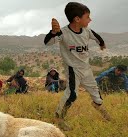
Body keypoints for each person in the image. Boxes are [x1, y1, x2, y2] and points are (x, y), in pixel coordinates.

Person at [44, 2, 110, 130]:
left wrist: (101, 43)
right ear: (77, 19)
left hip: (86, 68)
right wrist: (53, 32)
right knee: (72, 94)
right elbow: (48, 43)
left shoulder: (87, 30)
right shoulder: (62, 33)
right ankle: (59, 117)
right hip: (73, 69)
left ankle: (98, 105)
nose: (90, 20)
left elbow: (96, 36)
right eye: (87, 17)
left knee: (96, 93)